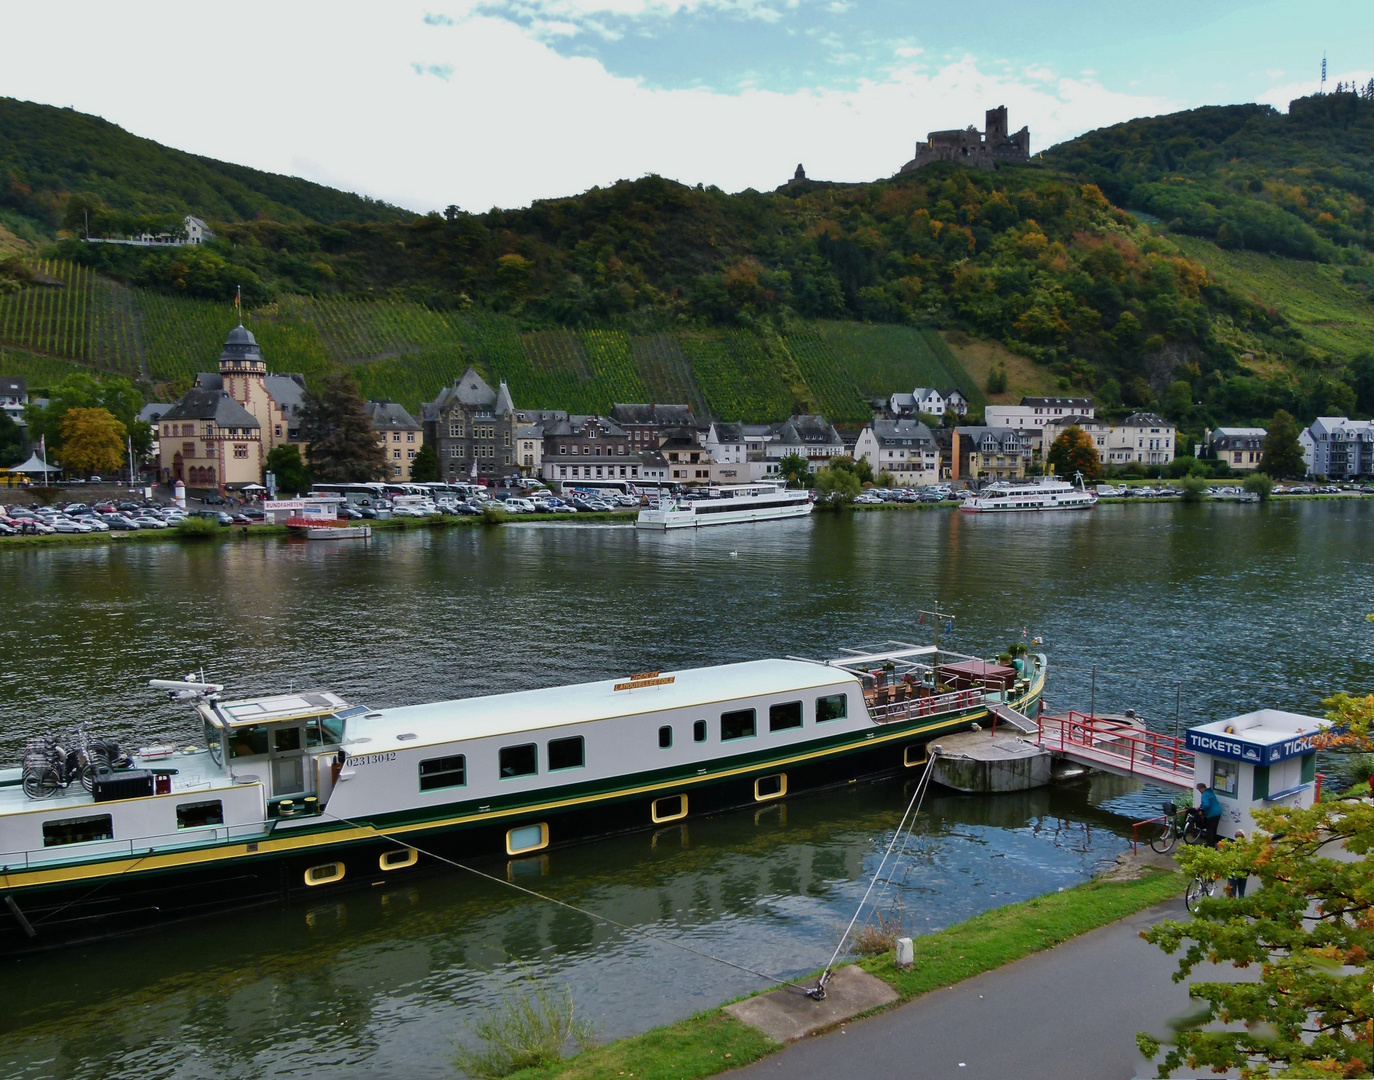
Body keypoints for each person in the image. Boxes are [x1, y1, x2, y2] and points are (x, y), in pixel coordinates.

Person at [1196, 780, 1223, 847]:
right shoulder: (1210, 792)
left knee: (1209, 830)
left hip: (1211, 814)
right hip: (1218, 812)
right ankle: (1213, 843)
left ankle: (1209, 845)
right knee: (1214, 829)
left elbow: (1207, 805)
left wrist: (1202, 810)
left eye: (1199, 789)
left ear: (1202, 788)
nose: (1199, 791)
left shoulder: (1204, 795)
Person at [1226, 830, 1248, 898]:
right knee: (1241, 892)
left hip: (1233, 873)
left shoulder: (1231, 847)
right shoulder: (1246, 849)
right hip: (1243, 873)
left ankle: (1232, 906)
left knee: (1231, 893)